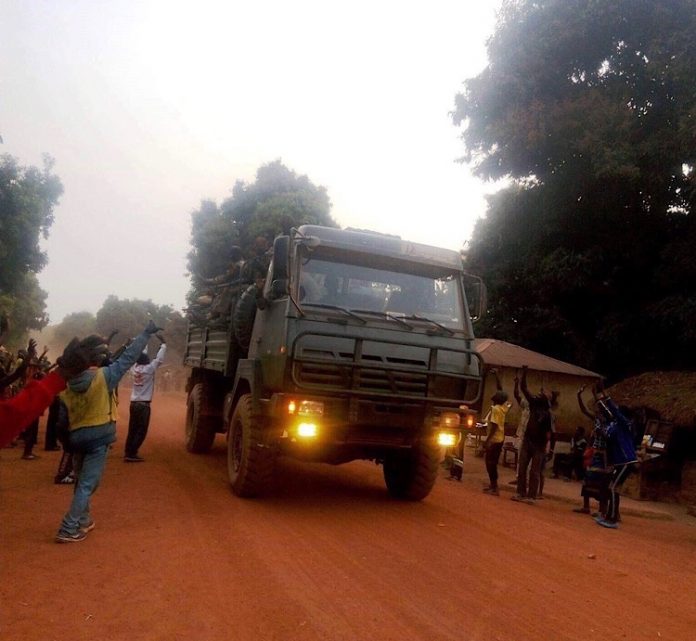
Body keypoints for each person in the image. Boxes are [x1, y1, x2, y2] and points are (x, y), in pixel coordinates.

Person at [55, 320, 162, 543]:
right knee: (88, 484)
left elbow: (61, 420)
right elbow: (129, 357)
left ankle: (83, 519)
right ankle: (68, 527)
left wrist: (67, 442)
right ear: (98, 358)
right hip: (98, 438)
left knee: (80, 481)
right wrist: (145, 333)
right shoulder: (106, 376)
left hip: (76, 439)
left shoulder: (68, 383)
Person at [0, 329, 107, 449]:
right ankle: (29, 449)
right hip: (24, 392)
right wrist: (60, 375)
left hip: (28, 393)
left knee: (33, 425)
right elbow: (8, 417)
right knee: (34, 426)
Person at [594, 383, 637, 529]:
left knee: (613, 487)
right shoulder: (614, 426)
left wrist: (606, 396)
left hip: (626, 461)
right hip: (620, 462)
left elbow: (614, 411)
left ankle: (612, 519)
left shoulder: (625, 424)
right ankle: (611, 515)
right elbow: (607, 435)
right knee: (613, 488)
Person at [511, 366, 552, 504]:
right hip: (529, 442)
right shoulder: (535, 406)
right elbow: (524, 389)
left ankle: (530, 496)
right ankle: (522, 493)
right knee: (523, 468)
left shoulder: (546, 414)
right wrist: (524, 374)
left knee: (533, 471)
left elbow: (549, 434)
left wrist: (548, 449)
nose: (538, 395)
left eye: (541, 395)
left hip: (538, 445)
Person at [124, 332, 166, 462]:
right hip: (144, 405)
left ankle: (128, 452)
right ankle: (132, 453)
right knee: (141, 431)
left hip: (134, 403)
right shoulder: (149, 369)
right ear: (147, 360)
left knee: (132, 429)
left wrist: (143, 341)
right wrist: (163, 344)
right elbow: (158, 359)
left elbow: (138, 355)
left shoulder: (134, 368)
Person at [573, 385, 610, 517]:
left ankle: (602, 510)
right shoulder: (597, 419)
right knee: (588, 479)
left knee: (602, 482)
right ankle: (586, 506)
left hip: (604, 454)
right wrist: (579, 396)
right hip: (596, 452)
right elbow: (584, 410)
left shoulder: (609, 422)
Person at [482, 369, 510, 496]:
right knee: (492, 462)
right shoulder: (503, 407)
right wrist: (497, 376)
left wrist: (487, 441)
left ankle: (494, 486)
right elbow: (501, 389)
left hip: (494, 439)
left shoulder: (495, 409)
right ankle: (493, 485)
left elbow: (493, 426)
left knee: (490, 463)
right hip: (500, 439)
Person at [508, 373, 530, 486]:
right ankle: (520, 478)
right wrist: (516, 384)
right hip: (522, 435)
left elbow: (520, 394)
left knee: (526, 460)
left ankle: (524, 480)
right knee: (521, 458)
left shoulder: (534, 410)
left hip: (529, 437)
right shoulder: (526, 407)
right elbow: (517, 395)